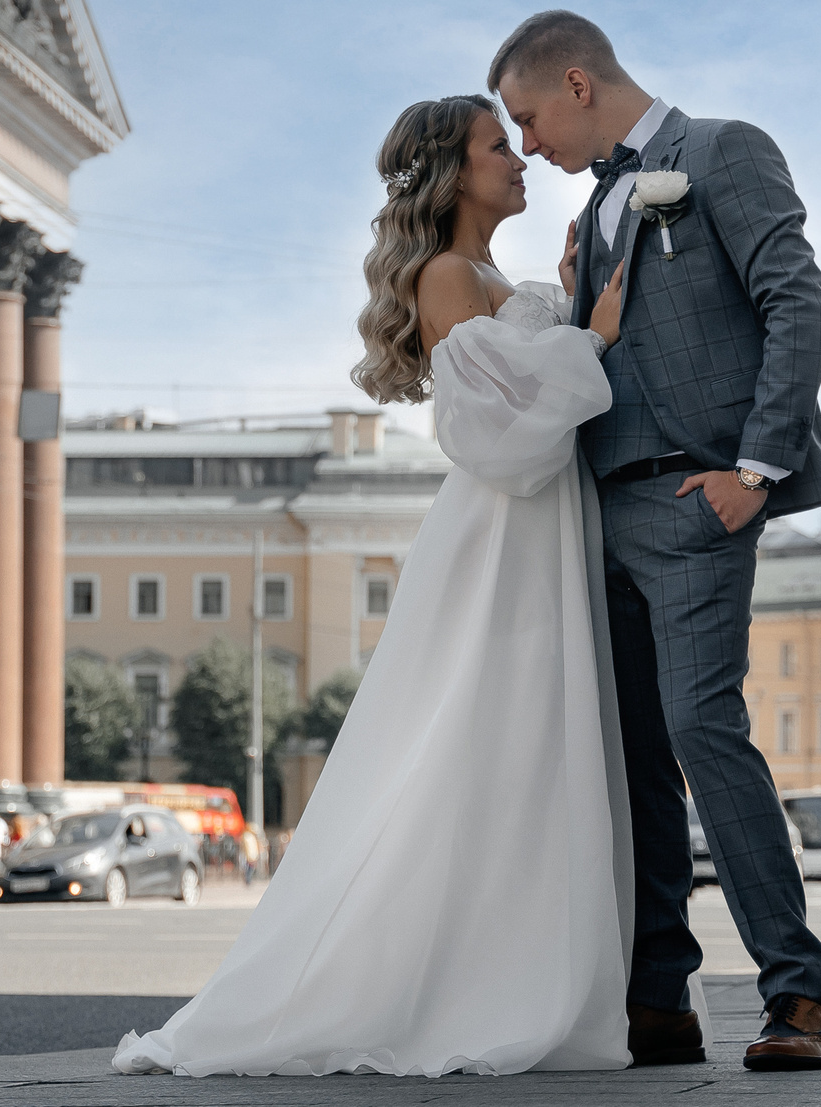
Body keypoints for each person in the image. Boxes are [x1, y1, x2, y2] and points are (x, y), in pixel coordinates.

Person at [115, 93, 638, 1077]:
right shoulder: (447, 273)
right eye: (498, 145)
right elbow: (494, 437)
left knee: (520, 751)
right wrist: (594, 338)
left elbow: (527, 391)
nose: (519, 157)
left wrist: (568, 305)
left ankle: (514, 968)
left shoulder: (481, 273)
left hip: (533, 531)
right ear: (453, 172)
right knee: (492, 744)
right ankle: (470, 983)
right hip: (504, 538)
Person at [493, 10, 821, 1071]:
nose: (522, 145)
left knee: (701, 730)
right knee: (631, 759)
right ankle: (659, 1002)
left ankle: (801, 1001)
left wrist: (754, 473)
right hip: (590, 511)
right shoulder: (598, 208)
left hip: (695, 503)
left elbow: (799, 307)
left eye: (526, 118)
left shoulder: (721, 151)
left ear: (576, 83)